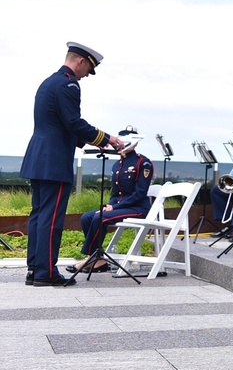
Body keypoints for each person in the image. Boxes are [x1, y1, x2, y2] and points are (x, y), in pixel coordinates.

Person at [20, 42, 125, 287]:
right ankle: (46, 273)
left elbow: (58, 123)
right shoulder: (69, 84)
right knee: (51, 217)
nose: (86, 75)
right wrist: (106, 138)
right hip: (54, 161)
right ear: (80, 61)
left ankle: (35, 269)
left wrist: (92, 141)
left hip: (39, 157)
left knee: (38, 215)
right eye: (88, 69)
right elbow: (73, 122)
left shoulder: (48, 82)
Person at [67, 126, 154, 274]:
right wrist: (109, 205)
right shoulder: (117, 165)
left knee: (99, 219)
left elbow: (139, 194)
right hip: (121, 207)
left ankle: (91, 259)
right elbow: (116, 193)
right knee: (87, 217)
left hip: (138, 208)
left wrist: (115, 207)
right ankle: (98, 259)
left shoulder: (143, 163)